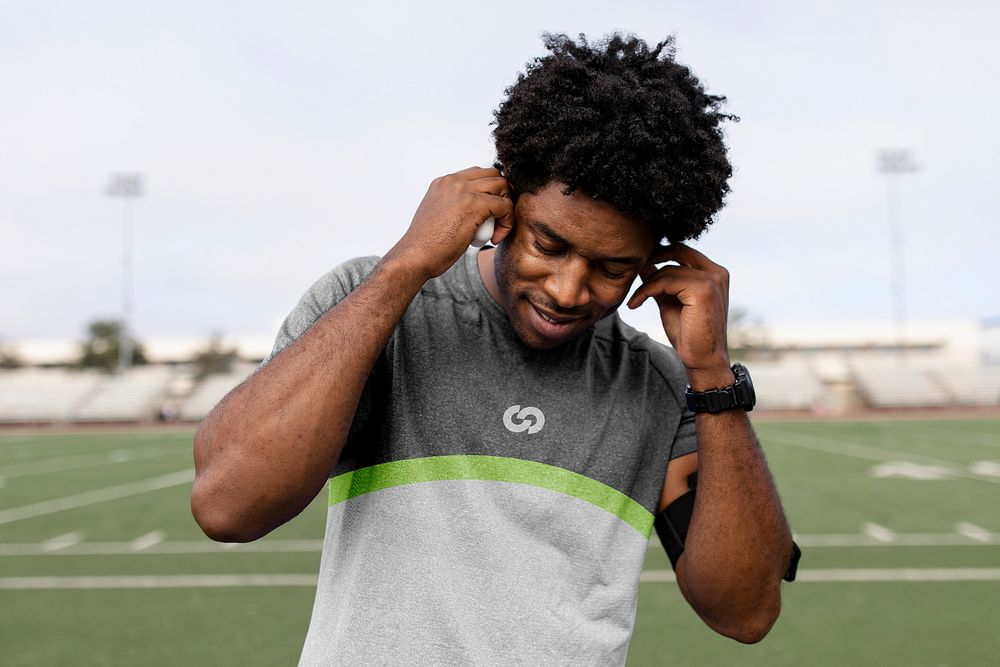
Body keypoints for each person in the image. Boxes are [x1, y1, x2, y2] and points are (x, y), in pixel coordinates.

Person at [192, 32, 796, 665]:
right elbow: (228, 507)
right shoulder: (368, 304)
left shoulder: (666, 385)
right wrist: (406, 266)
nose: (567, 290)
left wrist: (712, 375)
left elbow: (745, 611)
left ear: (654, 263)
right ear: (505, 204)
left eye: (612, 268)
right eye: (550, 245)